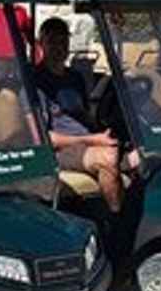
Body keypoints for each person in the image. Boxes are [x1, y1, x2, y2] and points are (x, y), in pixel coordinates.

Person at [35, 16, 128, 212]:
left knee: (140, 154)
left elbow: (85, 118)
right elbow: (45, 138)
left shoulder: (74, 78)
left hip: (86, 143)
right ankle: (119, 221)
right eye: (52, 42)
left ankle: (136, 214)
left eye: (63, 41)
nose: (59, 48)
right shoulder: (35, 82)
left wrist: (103, 135)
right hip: (58, 151)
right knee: (108, 158)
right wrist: (93, 140)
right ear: (40, 44)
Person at [0, 3, 32, 86]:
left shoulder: (21, 11)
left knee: (20, 84)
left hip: (17, 56)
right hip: (0, 56)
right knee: (0, 85)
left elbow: (28, 32)